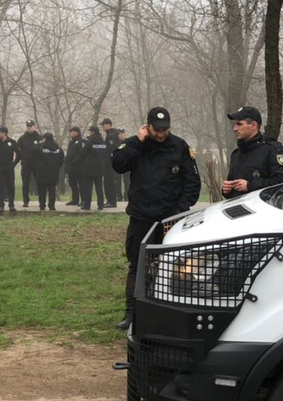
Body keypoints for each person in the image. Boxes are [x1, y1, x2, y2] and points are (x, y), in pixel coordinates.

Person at [111, 106, 201, 331]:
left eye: (165, 129)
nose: (161, 134)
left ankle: (167, 312)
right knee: (138, 266)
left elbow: (192, 184)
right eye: (157, 129)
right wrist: (136, 142)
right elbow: (118, 164)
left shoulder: (180, 147)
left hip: (169, 220)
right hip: (141, 218)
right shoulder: (136, 145)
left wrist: (178, 211)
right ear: (147, 126)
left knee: (173, 266)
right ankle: (132, 313)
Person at [222, 105, 283, 199]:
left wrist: (251, 186)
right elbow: (233, 187)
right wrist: (227, 190)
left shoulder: (271, 149)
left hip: (262, 207)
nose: (235, 128)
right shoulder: (236, 154)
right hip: (237, 206)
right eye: (235, 124)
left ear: (253, 125)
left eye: (239, 124)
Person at [31, 132, 64, 211]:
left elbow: (33, 155)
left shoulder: (39, 148)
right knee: (52, 190)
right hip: (53, 173)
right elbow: (61, 161)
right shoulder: (58, 149)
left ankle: (42, 206)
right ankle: (52, 206)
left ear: (44, 139)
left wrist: (39, 144)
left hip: (41, 173)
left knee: (41, 190)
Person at [79, 125, 108, 211]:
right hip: (100, 168)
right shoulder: (103, 142)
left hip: (89, 168)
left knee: (88, 188)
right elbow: (105, 154)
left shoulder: (90, 142)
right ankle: (100, 205)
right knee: (99, 187)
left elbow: (82, 153)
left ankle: (87, 205)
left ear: (93, 132)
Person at [17, 120, 42, 207]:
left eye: (31, 126)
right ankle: (25, 201)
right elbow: (18, 150)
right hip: (26, 164)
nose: (29, 127)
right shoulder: (22, 138)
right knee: (25, 183)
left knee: (39, 182)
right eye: (28, 126)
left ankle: (41, 201)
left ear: (34, 126)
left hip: (37, 164)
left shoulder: (39, 138)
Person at [64, 126, 83, 205]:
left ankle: (83, 200)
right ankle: (75, 199)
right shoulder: (71, 142)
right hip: (71, 167)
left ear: (77, 132)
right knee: (72, 184)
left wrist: (75, 161)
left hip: (78, 167)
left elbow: (81, 154)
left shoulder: (80, 141)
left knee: (81, 184)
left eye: (72, 132)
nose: (70, 133)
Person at [101, 118, 118, 207]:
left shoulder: (111, 135)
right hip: (109, 162)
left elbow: (112, 148)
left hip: (109, 162)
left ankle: (111, 201)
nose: (102, 127)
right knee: (108, 182)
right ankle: (110, 200)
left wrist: (108, 158)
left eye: (103, 125)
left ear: (108, 124)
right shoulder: (110, 134)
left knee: (109, 182)